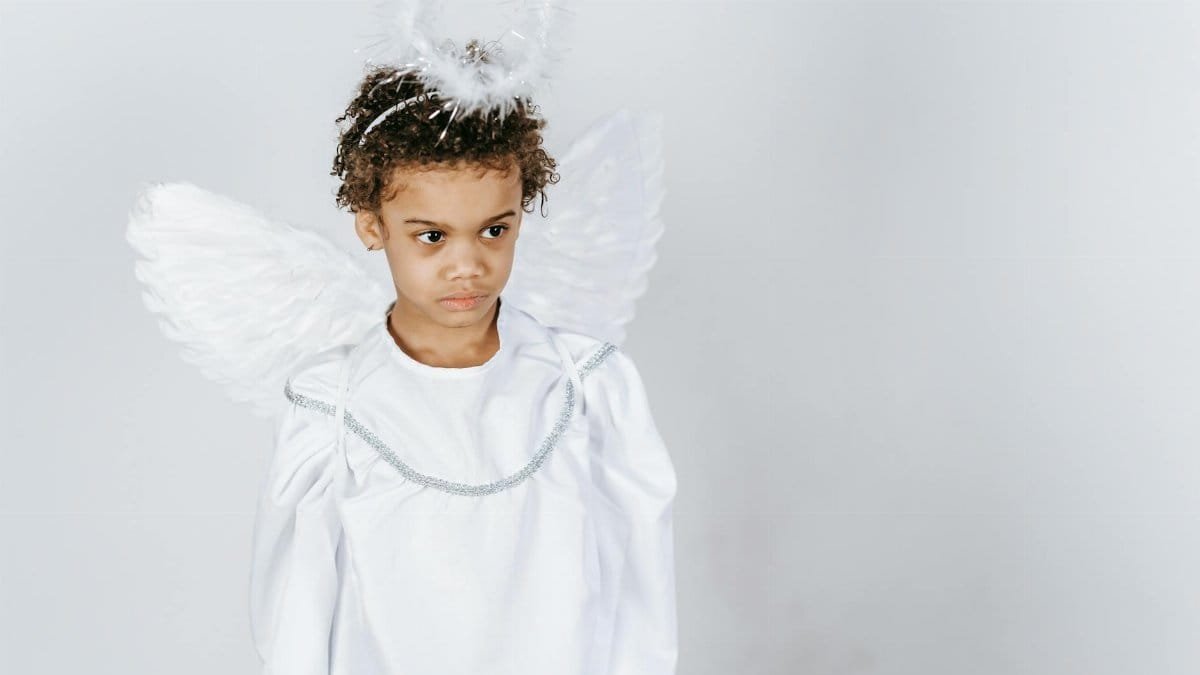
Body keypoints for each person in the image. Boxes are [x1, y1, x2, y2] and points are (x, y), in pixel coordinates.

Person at [126, 10, 676, 671]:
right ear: (372, 225)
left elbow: (640, 586)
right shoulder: (334, 412)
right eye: (432, 237)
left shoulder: (586, 388)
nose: (467, 265)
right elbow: (299, 617)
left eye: (494, 230)